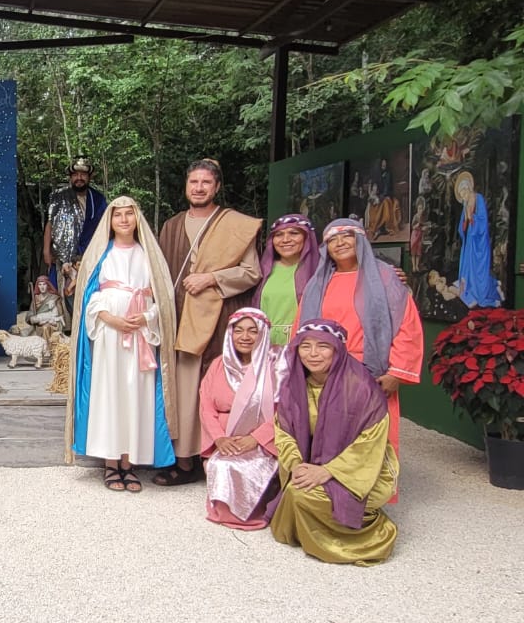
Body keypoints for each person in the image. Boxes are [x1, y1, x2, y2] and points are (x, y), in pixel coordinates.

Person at [155, 159, 262, 486]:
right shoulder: (171, 227)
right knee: (185, 390)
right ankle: (186, 459)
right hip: (181, 320)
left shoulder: (234, 225)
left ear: (217, 187)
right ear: (186, 186)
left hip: (219, 319)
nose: (198, 188)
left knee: (217, 389)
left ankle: (221, 458)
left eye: (205, 183)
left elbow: (251, 273)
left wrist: (212, 278)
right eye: (193, 182)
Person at [64, 196, 177, 492]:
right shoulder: (101, 254)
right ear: (110, 221)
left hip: (141, 335)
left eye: (130, 214)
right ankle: (110, 463)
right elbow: (89, 298)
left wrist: (147, 316)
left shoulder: (148, 256)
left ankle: (129, 463)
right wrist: (109, 318)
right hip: (109, 337)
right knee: (110, 395)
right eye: (118, 215)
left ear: (137, 219)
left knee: (135, 396)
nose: (124, 220)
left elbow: (161, 299)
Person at [268, 320, 398, 566]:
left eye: (323, 346)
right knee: (297, 491)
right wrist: (296, 465)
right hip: (310, 464)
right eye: (305, 346)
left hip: (360, 471)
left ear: (338, 349)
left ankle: (375, 532)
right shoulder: (294, 386)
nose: (313, 354)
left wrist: (328, 471)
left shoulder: (361, 387)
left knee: (301, 496)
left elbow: (369, 445)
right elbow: (283, 432)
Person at [298, 219, 423, 468]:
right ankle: (329, 496)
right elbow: (300, 329)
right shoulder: (317, 283)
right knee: (326, 434)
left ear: (361, 240)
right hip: (324, 370)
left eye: (347, 236)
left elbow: (407, 326)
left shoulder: (386, 277)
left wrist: (396, 372)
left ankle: (370, 497)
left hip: (371, 371)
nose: (340, 243)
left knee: (370, 434)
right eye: (332, 239)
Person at [199, 308, 282, 529]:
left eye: (252, 331)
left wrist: (256, 438)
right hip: (226, 440)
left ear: (263, 334)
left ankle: (253, 511)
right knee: (222, 465)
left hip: (262, 442)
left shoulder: (276, 367)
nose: (245, 337)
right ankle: (226, 511)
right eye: (239, 331)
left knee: (247, 469)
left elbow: (283, 411)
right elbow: (206, 407)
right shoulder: (219, 365)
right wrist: (219, 439)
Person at [251, 214, 319, 346]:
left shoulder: (318, 271)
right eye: (279, 235)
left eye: (294, 233)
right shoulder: (262, 270)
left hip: (303, 344)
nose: (285, 239)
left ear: (307, 237)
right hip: (265, 344)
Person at [44, 156, 107, 294]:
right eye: (75, 174)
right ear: (70, 177)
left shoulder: (98, 199)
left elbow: (105, 227)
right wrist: (46, 250)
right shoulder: (59, 196)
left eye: (83, 174)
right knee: (62, 294)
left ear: (89, 177)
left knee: (90, 294)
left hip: (90, 255)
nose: (79, 178)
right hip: (62, 255)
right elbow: (50, 223)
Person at [453, 170, 502, 307]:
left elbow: (482, 220)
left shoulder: (478, 198)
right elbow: (462, 226)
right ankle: (468, 287)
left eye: (464, 192)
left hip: (479, 241)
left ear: (468, 188)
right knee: (468, 265)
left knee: (478, 268)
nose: (463, 196)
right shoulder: (465, 203)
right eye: (461, 194)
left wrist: (471, 217)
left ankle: (479, 291)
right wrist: (465, 222)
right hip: (469, 241)